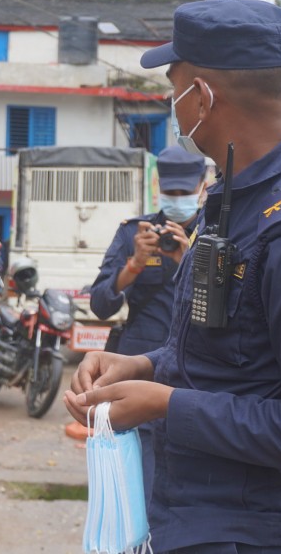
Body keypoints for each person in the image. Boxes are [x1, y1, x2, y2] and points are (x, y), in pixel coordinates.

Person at [65, 0, 281, 554]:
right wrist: (141, 364)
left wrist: (164, 403)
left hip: (264, 536)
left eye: (173, 86)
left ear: (201, 97)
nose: (172, 104)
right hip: (199, 520)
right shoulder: (232, 203)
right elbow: (233, 358)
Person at [87, 144, 205, 505]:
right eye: (172, 193)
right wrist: (134, 264)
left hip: (197, 368)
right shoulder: (132, 233)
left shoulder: (216, 232)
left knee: (193, 464)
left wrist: (188, 259)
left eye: (186, 193)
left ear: (203, 186)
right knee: (138, 479)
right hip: (138, 365)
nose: (179, 199)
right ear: (159, 186)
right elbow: (100, 305)